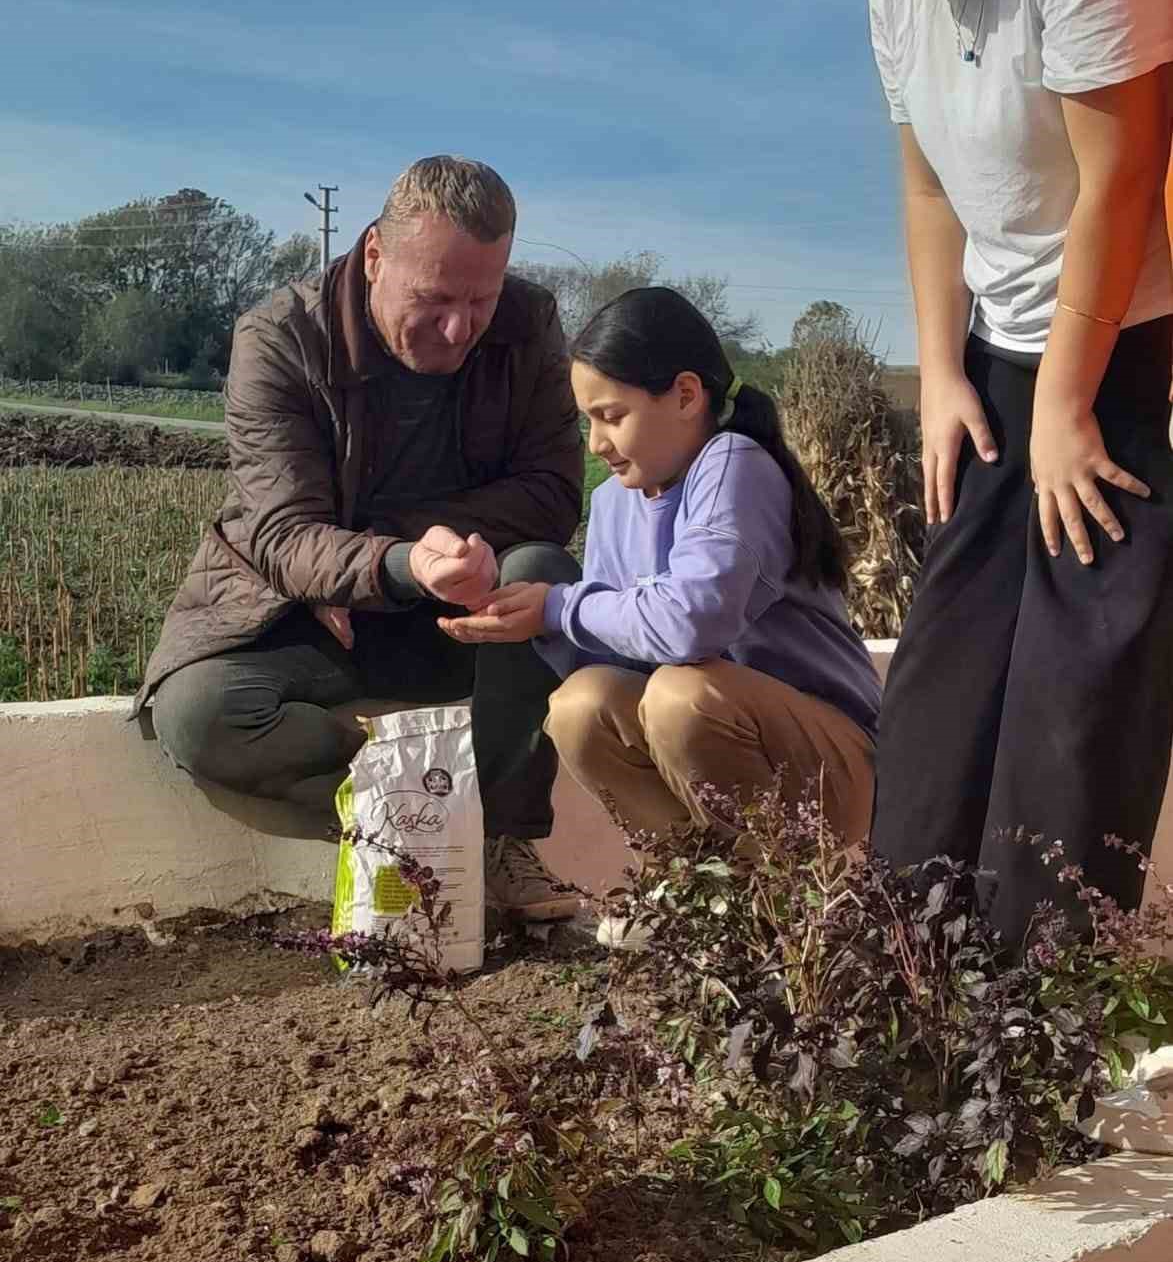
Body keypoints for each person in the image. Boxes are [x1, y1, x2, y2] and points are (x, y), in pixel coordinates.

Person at [766, 0, 1173, 942]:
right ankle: (911, 985)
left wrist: (1067, 403)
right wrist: (943, 374)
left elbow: (1121, 178)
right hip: (1000, 361)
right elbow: (930, 192)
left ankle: (1045, 1017)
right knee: (939, 703)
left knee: (1072, 721)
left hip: (1129, 353)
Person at [138, 155, 584, 921]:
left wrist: (408, 556)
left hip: (458, 614)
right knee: (201, 714)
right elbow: (282, 532)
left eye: (480, 300)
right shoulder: (280, 337)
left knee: (543, 569)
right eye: (434, 298)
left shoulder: (530, 320)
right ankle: (427, 823)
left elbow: (553, 491)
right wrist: (397, 563)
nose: (459, 329)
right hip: (313, 618)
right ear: (375, 254)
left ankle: (499, 829)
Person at [438, 286, 881, 874]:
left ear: (686, 395)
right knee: (580, 706)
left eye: (612, 416)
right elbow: (619, 665)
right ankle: (698, 893)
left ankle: (776, 899)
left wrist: (559, 607)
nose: (597, 443)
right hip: (716, 748)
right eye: (587, 420)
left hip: (834, 764)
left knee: (682, 696)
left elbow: (690, 624)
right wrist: (525, 619)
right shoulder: (613, 504)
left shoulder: (733, 463)